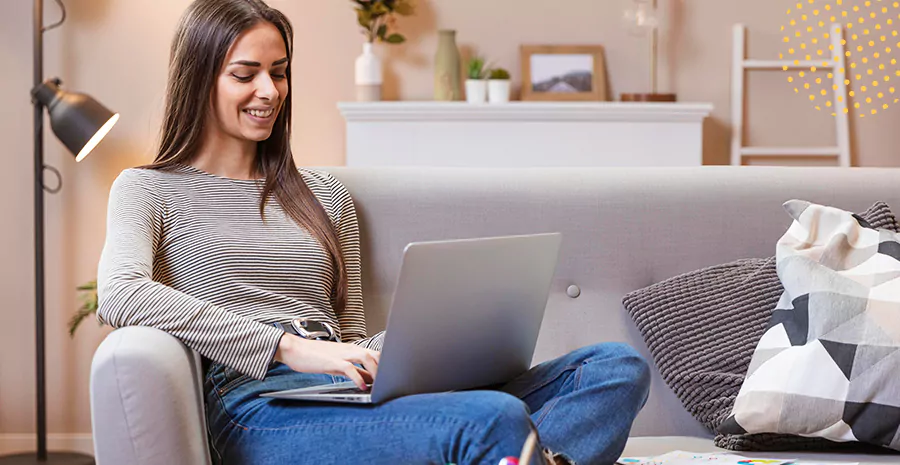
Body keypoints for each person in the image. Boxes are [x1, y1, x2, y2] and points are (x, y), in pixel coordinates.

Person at [96, 1, 651, 464]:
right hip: (261, 407)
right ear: (200, 80)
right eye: (245, 74)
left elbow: (352, 334)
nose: (269, 90)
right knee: (495, 419)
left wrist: (412, 351)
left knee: (612, 369)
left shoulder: (324, 195)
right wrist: (290, 349)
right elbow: (120, 294)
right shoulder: (149, 190)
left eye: (280, 71)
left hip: (356, 397)